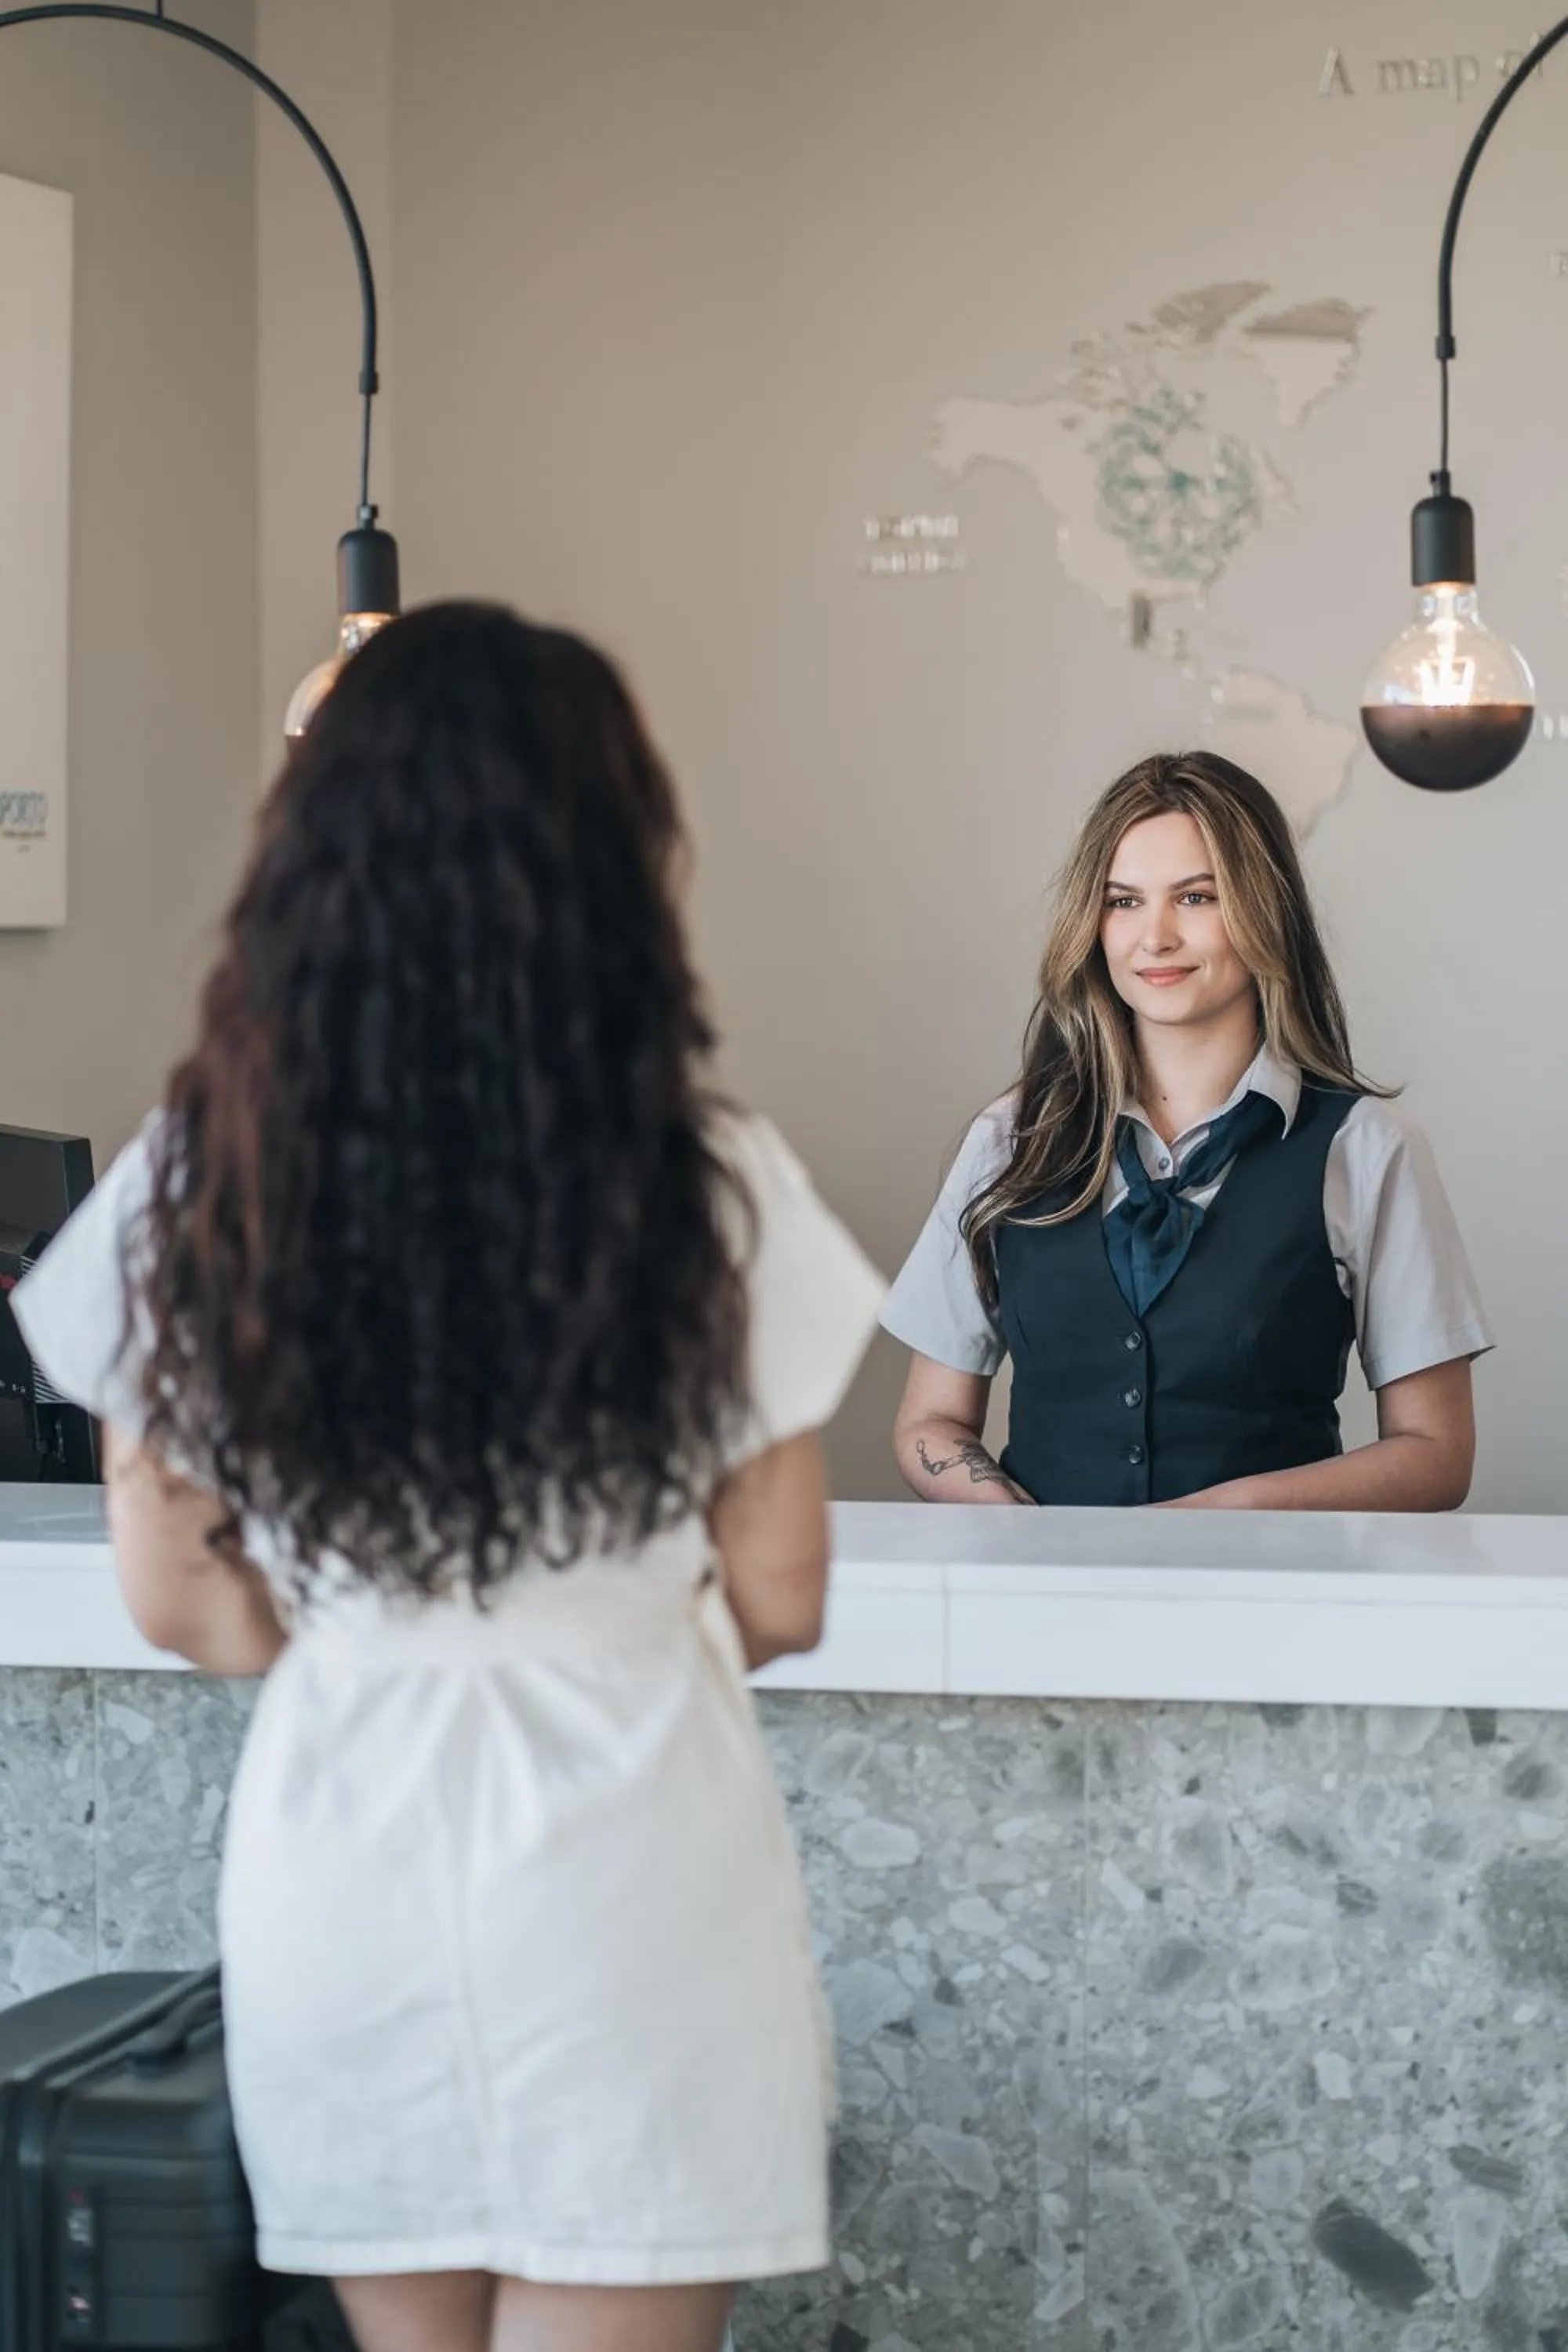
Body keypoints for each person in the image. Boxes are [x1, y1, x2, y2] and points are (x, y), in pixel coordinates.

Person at [13, 604, 884, 2352]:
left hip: (347, 1865)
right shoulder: (704, 1180)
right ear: (609, 858)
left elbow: (186, 1598)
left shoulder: (205, 1177)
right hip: (633, 1860)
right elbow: (781, 1591)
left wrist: (355, 1618)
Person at [883, 751, 1491, 1511]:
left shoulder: (1365, 1148)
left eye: (1196, 897)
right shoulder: (1009, 1138)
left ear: (1262, 910)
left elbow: (1434, 1456)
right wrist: (1012, 1528)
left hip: (1275, 1612)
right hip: (1039, 1611)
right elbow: (929, 1422)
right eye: (1123, 901)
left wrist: (1222, 1515)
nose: (1154, 937)